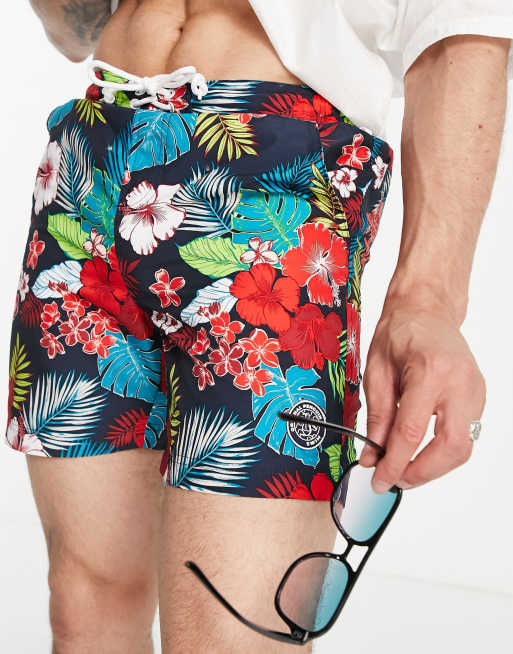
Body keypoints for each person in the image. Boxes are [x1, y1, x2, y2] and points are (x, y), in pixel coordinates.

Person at [5, 1, 511, 652]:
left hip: (270, 186)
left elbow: (462, 25)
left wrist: (428, 298)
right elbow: (74, 31)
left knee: (233, 636)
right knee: (86, 603)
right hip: (87, 164)